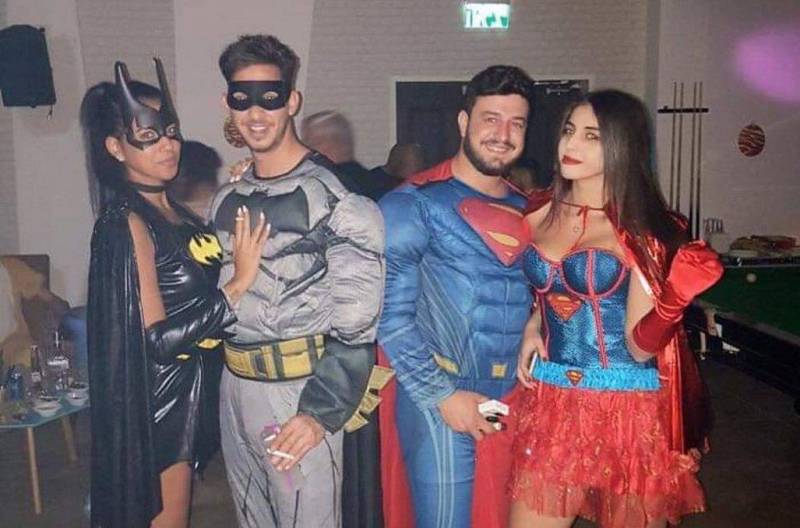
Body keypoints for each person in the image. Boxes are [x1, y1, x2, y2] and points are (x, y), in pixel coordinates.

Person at [509, 89, 721, 528]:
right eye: (569, 130)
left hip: (628, 407)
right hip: (552, 402)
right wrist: (534, 322)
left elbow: (640, 348)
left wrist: (675, 299)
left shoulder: (642, 230)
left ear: (622, 146)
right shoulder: (538, 211)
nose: (571, 144)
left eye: (592, 136)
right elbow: (551, 289)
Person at [209, 34, 386, 527]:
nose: (256, 112)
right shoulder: (225, 196)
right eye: (242, 98)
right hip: (233, 388)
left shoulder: (337, 201)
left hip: (297, 394)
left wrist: (319, 412)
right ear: (227, 103)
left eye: (270, 97)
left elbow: (357, 327)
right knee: (252, 518)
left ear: (292, 101)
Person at [83, 59, 268, 528]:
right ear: (116, 148)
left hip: (196, 395)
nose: (167, 144)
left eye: (170, 131)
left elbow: (210, 270)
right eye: (148, 135)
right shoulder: (125, 223)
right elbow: (157, 340)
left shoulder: (176, 214)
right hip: (160, 409)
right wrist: (236, 287)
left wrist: (243, 190)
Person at [378, 65, 536, 528]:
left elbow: (546, 296)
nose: (503, 134)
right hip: (440, 397)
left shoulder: (533, 210)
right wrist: (441, 395)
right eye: (491, 119)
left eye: (517, 123)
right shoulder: (412, 204)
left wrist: (536, 323)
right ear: (464, 122)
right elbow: (390, 317)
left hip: (516, 399)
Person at [300, 109, 371, 196]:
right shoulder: (367, 179)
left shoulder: (339, 185)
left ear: (338, 142)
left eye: (314, 143)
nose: (306, 148)